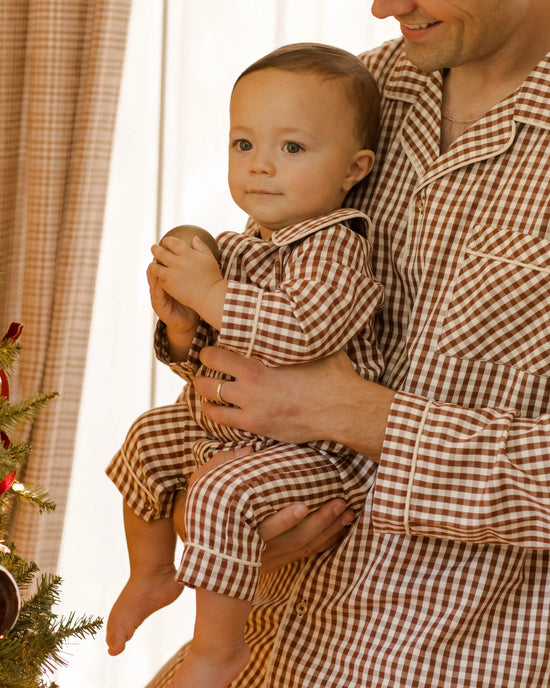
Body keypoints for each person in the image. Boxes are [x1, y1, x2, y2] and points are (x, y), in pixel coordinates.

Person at [143, 1, 550, 687]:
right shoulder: (357, 89)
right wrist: (211, 485)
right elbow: (272, 323)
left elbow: (311, 395)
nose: (384, 5)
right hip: (256, 653)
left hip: (438, 665)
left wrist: (354, 417)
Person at [105, 43, 384, 687]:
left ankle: (219, 648)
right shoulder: (243, 245)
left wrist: (210, 293)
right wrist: (181, 325)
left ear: (354, 168)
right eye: (243, 145)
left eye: (292, 149)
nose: (260, 166)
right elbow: (214, 365)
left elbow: (304, 334)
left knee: (221, 492)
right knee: (148, 438)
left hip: (317, 452)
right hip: (234, 430)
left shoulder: (335, 248)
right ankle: (150, 574)